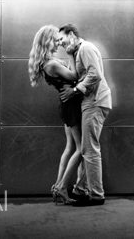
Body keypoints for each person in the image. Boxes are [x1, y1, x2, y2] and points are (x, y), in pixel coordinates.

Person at [58, 23, 112, 206]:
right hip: (90, 102)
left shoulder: (86, 48)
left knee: (90, 150)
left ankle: (96, 195)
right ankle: (81, 190)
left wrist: (75, 90)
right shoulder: (77, 51)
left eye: (63, 40)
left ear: (72, 34)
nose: (61, 45)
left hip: (95, 102)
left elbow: (94, 74)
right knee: (86, 149)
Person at [28, 25, 83, 205]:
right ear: (47, 41)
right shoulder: (51, 64)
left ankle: (57, 187)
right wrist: (70, 54)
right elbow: (74, 75)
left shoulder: (47, 62)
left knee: (70, 147)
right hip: (71, 106)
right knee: (82, 149)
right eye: (56, 40)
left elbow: (68, 76)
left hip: (66, 105)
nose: (59, 42)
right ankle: (61, 187)